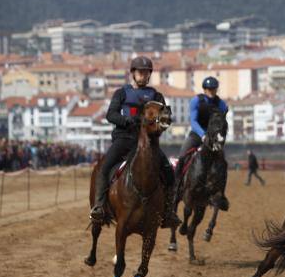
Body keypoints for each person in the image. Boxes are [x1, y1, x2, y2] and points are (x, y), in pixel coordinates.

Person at [90, 56, 181, 227]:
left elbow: (165, 119)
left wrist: (163, 123)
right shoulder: (121, 93)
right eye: (140, 72)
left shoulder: (156, 95)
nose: (143, 75)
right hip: (124, 139)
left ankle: (168, 213)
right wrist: (127, 121)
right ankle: (99, 207)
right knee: (104, 168)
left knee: (169, 172)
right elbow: (111, 114)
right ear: (133, 73)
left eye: (146, 73)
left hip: (148, 144)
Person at [174, 76, 230, 207]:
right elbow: (193, 121)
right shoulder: (196, 101)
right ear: (204, 89)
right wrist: (203, 135)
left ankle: (221, 194)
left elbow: (222, 119)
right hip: (196, 135)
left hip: (213, 138)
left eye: (213, 89)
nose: (211, 91)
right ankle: (175, 187)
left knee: (223, 162)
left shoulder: (220, 104)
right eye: (209, 89)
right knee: (182, 157)